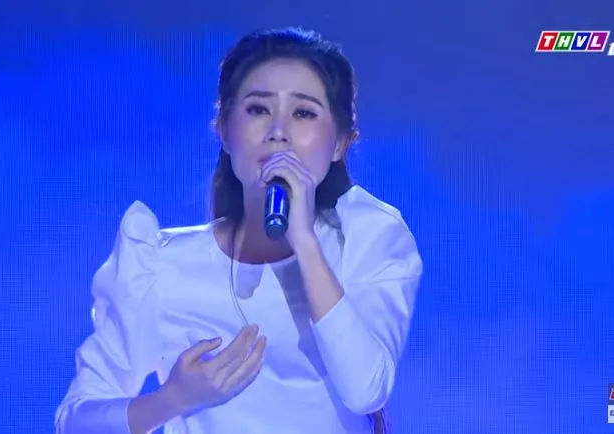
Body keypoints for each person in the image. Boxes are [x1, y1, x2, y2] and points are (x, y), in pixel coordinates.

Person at [55, 27, 423, 434]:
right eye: (258, 109)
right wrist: (172, 399)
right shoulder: (160, 265)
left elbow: (366, 390)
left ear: (340, 143)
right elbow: (75, 422)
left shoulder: (367, 237)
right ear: (224, 130)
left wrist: (304, 242)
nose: (278, 131)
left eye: (303, 113)